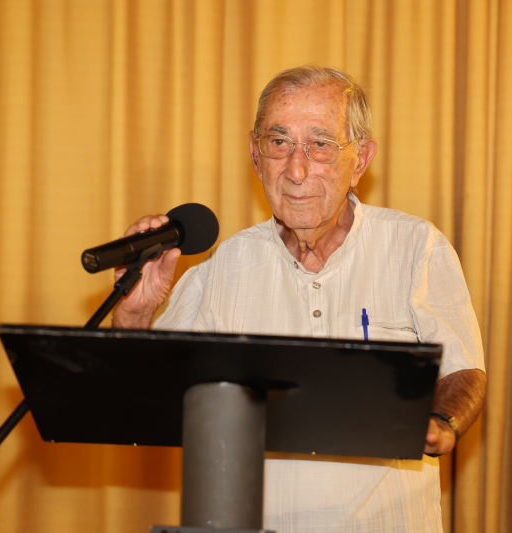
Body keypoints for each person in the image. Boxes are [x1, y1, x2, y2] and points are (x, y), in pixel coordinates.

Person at [112, 66, 486, 533]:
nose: (297, 167)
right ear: (255, 154)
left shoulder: (414, 246)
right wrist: (136, 315)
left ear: (361, 161)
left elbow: (463, 368)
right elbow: (146, 393)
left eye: (321, 144)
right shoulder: (224, 265)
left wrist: (443, 422)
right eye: (279, 141)